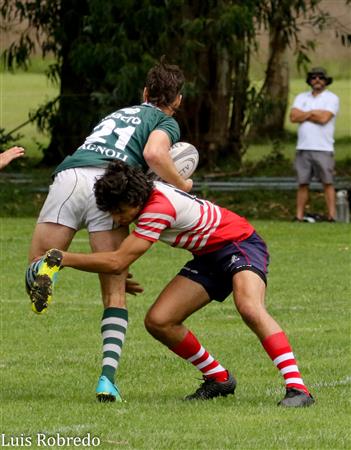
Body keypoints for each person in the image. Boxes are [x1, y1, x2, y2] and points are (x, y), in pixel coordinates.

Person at [33, 161, 315, 408]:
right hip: (207, 255)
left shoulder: (158, 208)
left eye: (119, 211)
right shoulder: (145, 198)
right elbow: (117, 261)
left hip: (238, 243)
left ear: (134, 199)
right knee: (159, 320)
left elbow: (118, 261)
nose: (117, 219)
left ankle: (298, 388)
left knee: (249, 307)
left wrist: (61, 258)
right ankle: (219, 378)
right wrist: (110, 267)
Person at [25, 58, 193, 403]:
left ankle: (50, 269)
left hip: (70, 176)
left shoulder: (119, 113)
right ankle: (106, 380)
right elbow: (154, 154)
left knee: (35, 266)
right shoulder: (165, 120)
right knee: (115, 288)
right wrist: (183, 184)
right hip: (111, 188)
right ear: (177, 101)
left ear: (145, 92)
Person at [290, 67, 339, 222]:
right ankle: (299, 216)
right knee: (302, 183)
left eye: (320, 77)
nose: (317, 80)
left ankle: (332, 216)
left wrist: (305, 114)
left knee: (327, 182)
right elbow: (293, 116)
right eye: (314, 77)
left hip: (323, 148)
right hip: (303, 147)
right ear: (310, 81)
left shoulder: (332, 98)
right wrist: (313, 113)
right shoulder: (301, 97)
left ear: (325, 81)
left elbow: (324, 118)